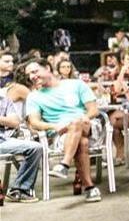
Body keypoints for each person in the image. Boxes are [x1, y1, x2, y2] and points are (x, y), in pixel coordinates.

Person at [23, 60, 104, 202]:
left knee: (77, 122)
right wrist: (54, 126)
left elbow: (93, 109)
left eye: (35, 71)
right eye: (29, 74)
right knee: (82, 142)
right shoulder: (34, 96)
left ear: (47, 68)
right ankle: (90, 188)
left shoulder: (76, 84)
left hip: (88, 126)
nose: (32, 76)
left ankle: (64, 164)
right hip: (61, 134)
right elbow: (34, 122)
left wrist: (85, 117)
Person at [0, 79, 42, 203]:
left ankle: (19, 189)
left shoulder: (4, 100)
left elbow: (15, 122)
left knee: (35, 147)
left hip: (2, 141)